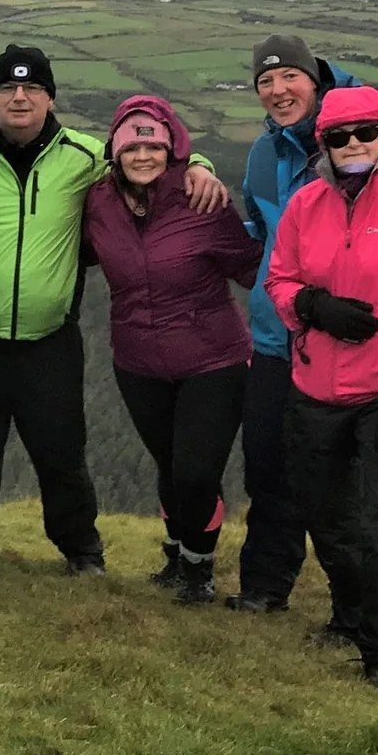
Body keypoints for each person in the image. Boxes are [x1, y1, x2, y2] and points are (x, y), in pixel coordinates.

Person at [0, 44, 230, 573]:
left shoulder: (85, 156)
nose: (19, 97)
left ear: (50, 98)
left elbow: (147, 159)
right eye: (8, 88)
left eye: (32, 87)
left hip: (51, 338)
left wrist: (197, 163)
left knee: (61, 449)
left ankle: (81, 549)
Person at [235, 34, 378, 636]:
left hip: (377, 356)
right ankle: (269, 586)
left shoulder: (371, 136)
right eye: (265, 81)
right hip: (282, 341)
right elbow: (262, 238)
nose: (279, 90)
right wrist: (302, 303)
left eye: (290, 77)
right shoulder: (264, 153)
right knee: (278, 470)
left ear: (315, 79)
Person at [80, 95, 262, 605]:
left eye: (154, 146)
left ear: (172, 149)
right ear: (115, 153)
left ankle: (198, 570)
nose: (143, 156)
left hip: (214, 360)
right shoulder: (97, 203)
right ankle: (177, 554)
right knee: (169, 464)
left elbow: (251, 267)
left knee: (195, 472)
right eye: (131, 147)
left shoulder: (201, 199)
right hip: (137, 361)